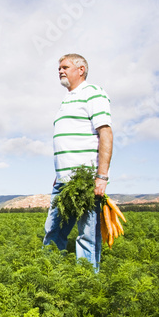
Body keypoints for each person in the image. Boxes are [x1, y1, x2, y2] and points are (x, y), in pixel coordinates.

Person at [43, 53, 113, 271]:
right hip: (63, 180)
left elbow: (106, 133)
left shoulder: (92, 93)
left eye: (65, 67)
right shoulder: (66, 100)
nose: (60, 71)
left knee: (87, 235)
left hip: (85, 180)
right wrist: (58, 174)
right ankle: (49, 276)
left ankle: (87, 283)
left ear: (81, 69)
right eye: (59, 69)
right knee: (53, 231)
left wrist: (101, 176)